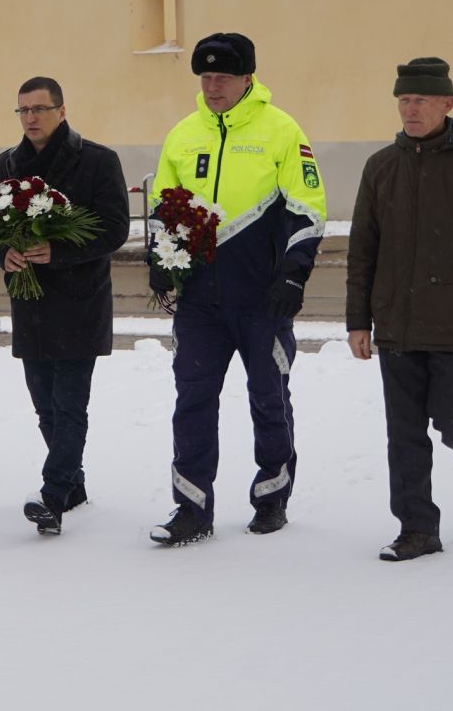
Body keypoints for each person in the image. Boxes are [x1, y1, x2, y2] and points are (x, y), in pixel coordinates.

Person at [147, 33, 327, 546]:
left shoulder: (282, 131)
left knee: (268, 398)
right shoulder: (183, 135)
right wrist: (160, 258)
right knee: (192, 400)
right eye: (204, 77)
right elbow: (164, 205)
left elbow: (308, 207)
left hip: (261, 297)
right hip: (200, 299)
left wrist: (293, 272)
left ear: (248, 77)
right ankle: (191, 507)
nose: (213, 86)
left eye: (223, 76)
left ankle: (271, 497)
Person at [346, 57, 453, 562]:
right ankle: (418, 528)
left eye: (421, 99)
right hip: (396, 323)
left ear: (448, 103)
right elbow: (363, 249)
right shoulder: (381, 166)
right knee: (403, 433)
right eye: (403, 99)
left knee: (452, 417)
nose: (410, 108)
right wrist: (360, 319)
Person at [0, 76, 130, 536]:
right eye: (23, 110)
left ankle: (53, 493)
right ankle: (74, 485)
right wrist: (1, 253)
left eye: (40, 109)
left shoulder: (98, 161)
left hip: (80, 301)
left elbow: (115, 229)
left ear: (62, 112)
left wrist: (59, 252)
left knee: (69, 404)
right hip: (31, 302)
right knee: (45, 405)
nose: (30, 118)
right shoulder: (6, 164)